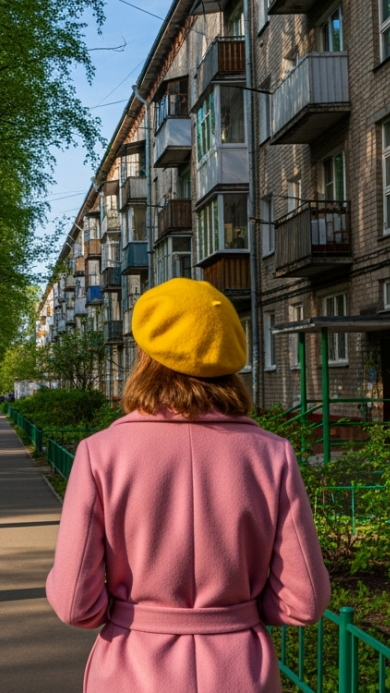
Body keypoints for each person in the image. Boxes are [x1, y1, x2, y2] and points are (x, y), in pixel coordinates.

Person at [46, 278, 330, 693]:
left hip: (132, 666)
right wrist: (239, 613)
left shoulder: (100, 454)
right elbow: (305, 600)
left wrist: (131, 612)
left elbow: (75, 604)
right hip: (241, 670)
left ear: (147, 356)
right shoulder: (273, 454)